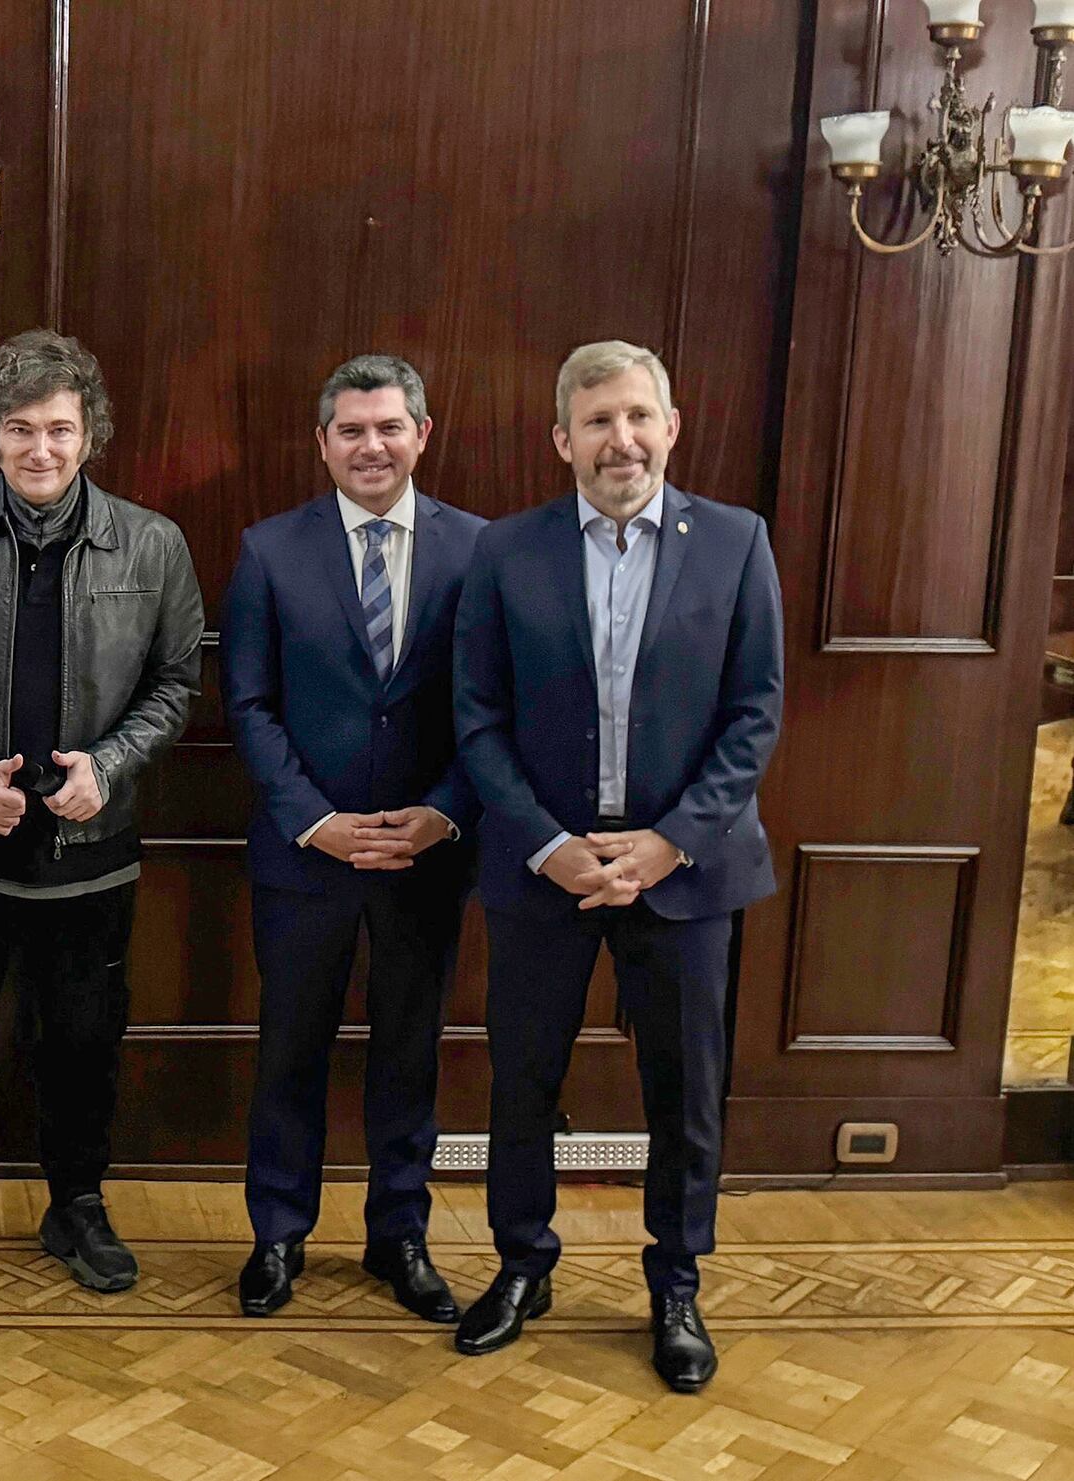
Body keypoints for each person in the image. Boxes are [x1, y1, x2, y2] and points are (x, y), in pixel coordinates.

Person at [451, 339, 784, 1392]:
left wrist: (669, 840)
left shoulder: (735, 542)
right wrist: (548, 845)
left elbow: (754, 712)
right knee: (522, 1079)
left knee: (683, 1091)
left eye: (638, 416)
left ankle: (675, 1284)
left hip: (684, 868)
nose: (620, 438)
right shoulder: (504, 551)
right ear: (562, 438)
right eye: (597, 420)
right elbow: (477, 716)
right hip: (543, 864)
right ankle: (522, 1264)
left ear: (670, 427)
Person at [0, 329, 203, 1295]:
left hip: (92, 850)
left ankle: (77, 1204)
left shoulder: (154, 542)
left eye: (59, 428)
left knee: (84, 1043)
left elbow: (178, 682)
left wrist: (113, 763)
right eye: (20, 429)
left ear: (90, 432)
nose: (41, 449)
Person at [224, 354, 483, 1321]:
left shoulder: (479, 550)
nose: (371, 445)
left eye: (389, 427)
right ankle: (277, 1234)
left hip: (427, 853)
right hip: (306, 857)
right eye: (351, 430)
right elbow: (249, 705)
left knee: (410, 1051)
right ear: (322, 443)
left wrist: (443, 812)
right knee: (290, 1047)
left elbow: (491, 707)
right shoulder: (268, 550)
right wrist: (316, 821)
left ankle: (399, 1234)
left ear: (422, 434)